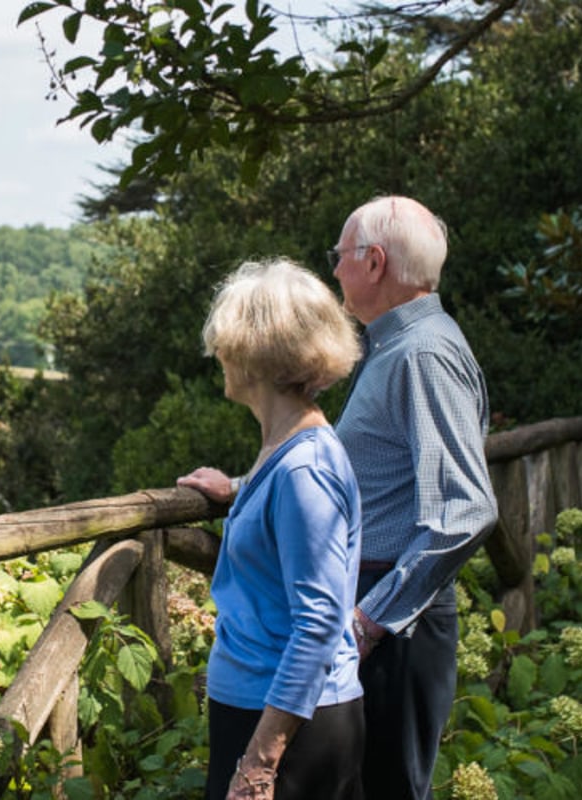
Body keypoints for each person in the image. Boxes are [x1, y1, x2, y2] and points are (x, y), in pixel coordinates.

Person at [184, 196, 498, 800]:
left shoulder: (423, 354)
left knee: (393, 791)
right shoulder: (396, 346)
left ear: (374, 262)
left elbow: (466, 508)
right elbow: (360, 473)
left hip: (388, 616)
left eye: (341, 255)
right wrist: (243, 490)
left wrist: (369, 620)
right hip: (368, 604)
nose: (334, 271)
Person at [176, 258, 366, 800]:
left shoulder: (304, 470)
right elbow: (289, 520)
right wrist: (239, 490)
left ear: (253, 353)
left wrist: (261, 760)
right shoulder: (285, 455)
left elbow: (320, 622)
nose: (219, 357)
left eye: (225, 345)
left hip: (286, 725)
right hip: (275, 711)